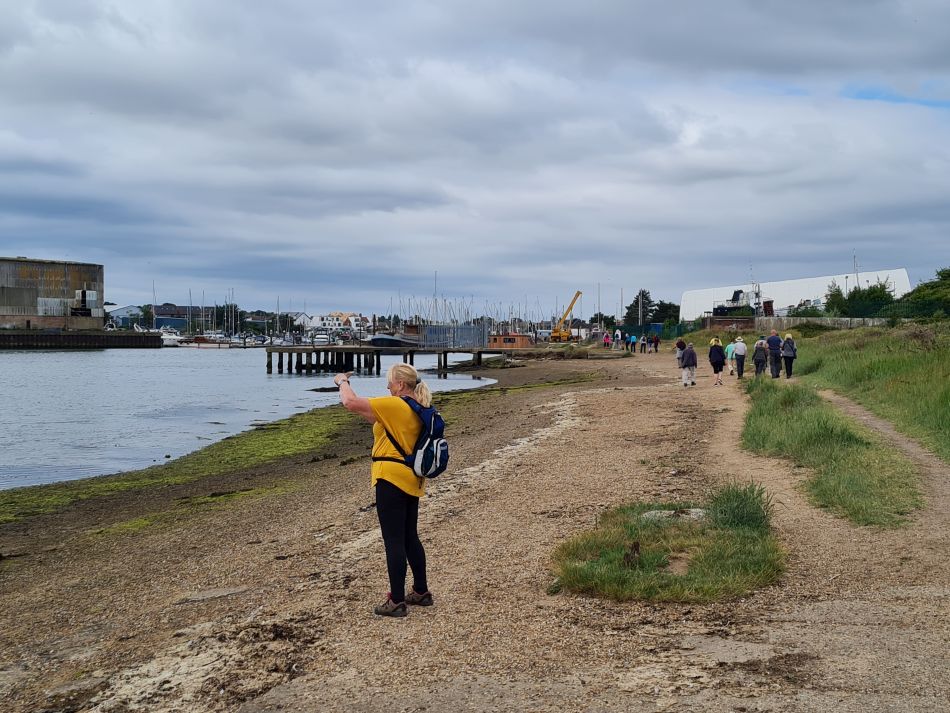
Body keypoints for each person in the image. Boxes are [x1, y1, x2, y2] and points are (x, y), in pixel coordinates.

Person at [335, 364, 434, 617]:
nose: (387, 387)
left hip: (390, 479)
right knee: (410, 536)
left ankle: (396, 600)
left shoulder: (397, 405)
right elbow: (368, 413)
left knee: (394, 540)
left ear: (401, 384)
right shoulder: (417, 408)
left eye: (390, 383)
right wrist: (354, 395)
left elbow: (349, 402)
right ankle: (421, 591)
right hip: (411, 478)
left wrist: (341, 381)